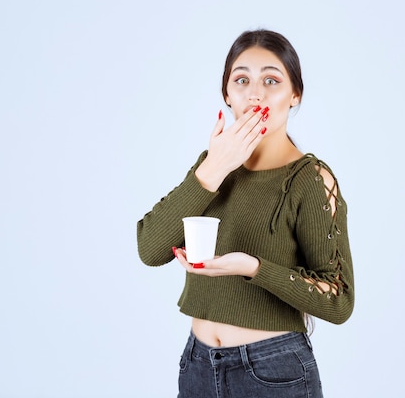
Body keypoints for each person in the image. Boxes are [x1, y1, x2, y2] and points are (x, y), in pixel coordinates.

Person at [136, 29, 354, 398]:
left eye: (272, 79)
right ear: (226, 94)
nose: (255, 93)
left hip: (274, 371)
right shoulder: (212, 165)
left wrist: (253, 267)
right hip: (197, 366)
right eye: (242, 80)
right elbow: (150, 250)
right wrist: (212, 169)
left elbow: (338, 298)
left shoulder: (310, 180)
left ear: (294, 94)